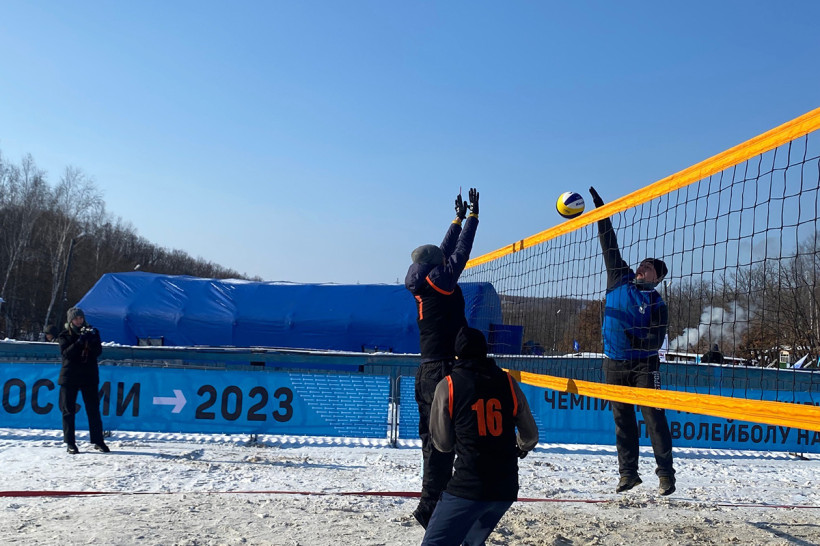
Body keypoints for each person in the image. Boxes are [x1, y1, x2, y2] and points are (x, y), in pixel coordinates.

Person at [588, 187, 675, 496]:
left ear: (657, 278)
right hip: (613, 363)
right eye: (642, 264)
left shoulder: (657, 303)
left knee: (653, 417)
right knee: (622, 421)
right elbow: (608, 243)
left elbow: (655, 340)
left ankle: (666, 475)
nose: (642, 267)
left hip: (644, 365)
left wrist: (633, 339)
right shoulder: (619, 278)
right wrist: (601, 212)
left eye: (649, 268)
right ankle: (628, 474)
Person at [421, 327, 539, 545]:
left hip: (468, 486)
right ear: (485, 352)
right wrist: (521, 446)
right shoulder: (508, 381)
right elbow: (530, 435)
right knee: (471, 541)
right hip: (505, 488)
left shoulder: (449, 385)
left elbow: (443, 444)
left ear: (457, 355)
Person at [405, 188, 480, 528]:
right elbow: (460, 253)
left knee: (433, 445)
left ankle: (433, 505)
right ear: (435, 269)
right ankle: (436, 510)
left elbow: (444, 251)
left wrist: (458, 219)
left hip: (426, 371)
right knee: (450, 444)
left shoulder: (423, 279)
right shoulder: (440, 282)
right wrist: (474, 219)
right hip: (444, 371)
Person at [57, 307, 110, 454]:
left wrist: (91, 341)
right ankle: (70, 442)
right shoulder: (64, 335)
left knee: (93, 409)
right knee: (68, 410)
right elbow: (66, 354)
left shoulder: (93, 332)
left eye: (80, 318)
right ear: (70, 321)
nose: (79, 321)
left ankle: (98, 440)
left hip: (88, 376)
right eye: (75, 319)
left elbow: (98, 352)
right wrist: (79, 342)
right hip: (70, 376)